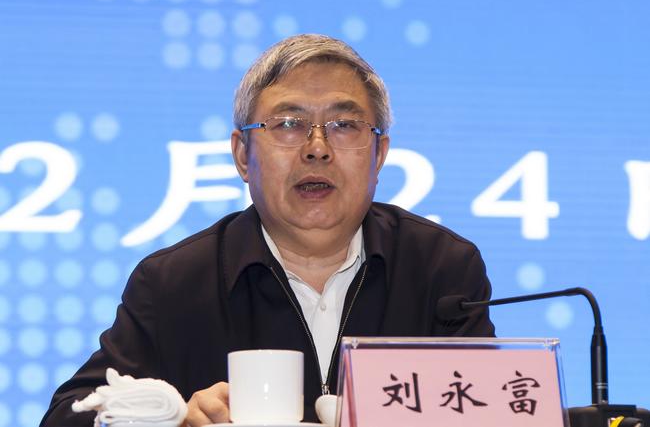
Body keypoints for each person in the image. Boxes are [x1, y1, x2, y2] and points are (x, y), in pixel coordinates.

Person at [40, 34, 494, 427]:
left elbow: (491, 410)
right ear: (243, 155)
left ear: (379, 155)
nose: (317, 149)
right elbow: (69, 413)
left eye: (344, 125)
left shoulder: (441, 268)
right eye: (289, 124)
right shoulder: (175, 282)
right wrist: (173, 418)